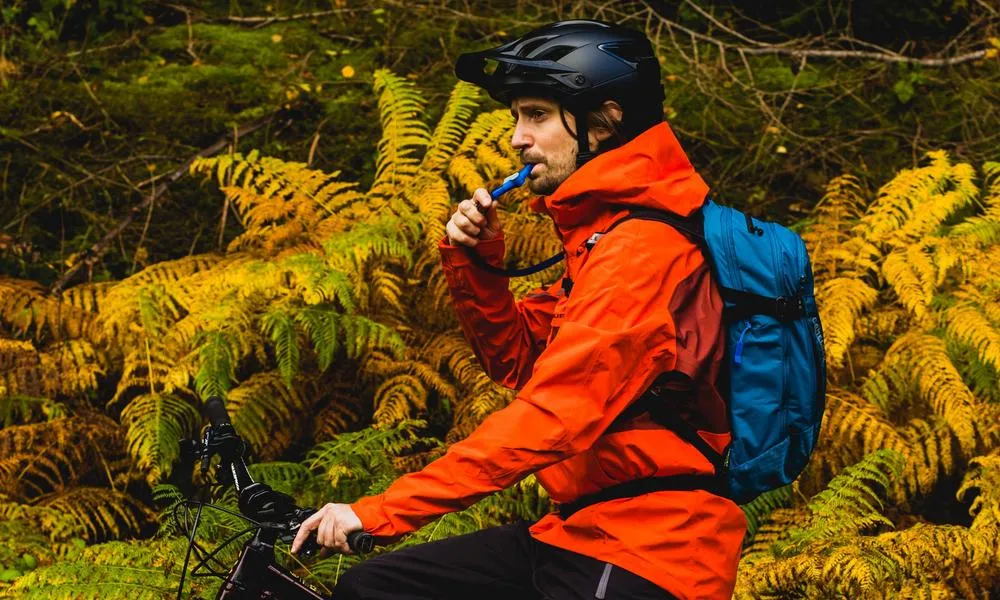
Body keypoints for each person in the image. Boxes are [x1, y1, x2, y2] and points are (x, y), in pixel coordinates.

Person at [291, 19, 746, 599]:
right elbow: (518, 362)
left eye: (536, 115)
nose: (516, 138)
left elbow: (552, 415)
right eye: (516, 117)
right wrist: (476, 262)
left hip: (648, 552)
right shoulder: (603, 238)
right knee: (374, 588)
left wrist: (382, 511)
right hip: (577, 531)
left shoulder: (644, 251)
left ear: (605, 121)